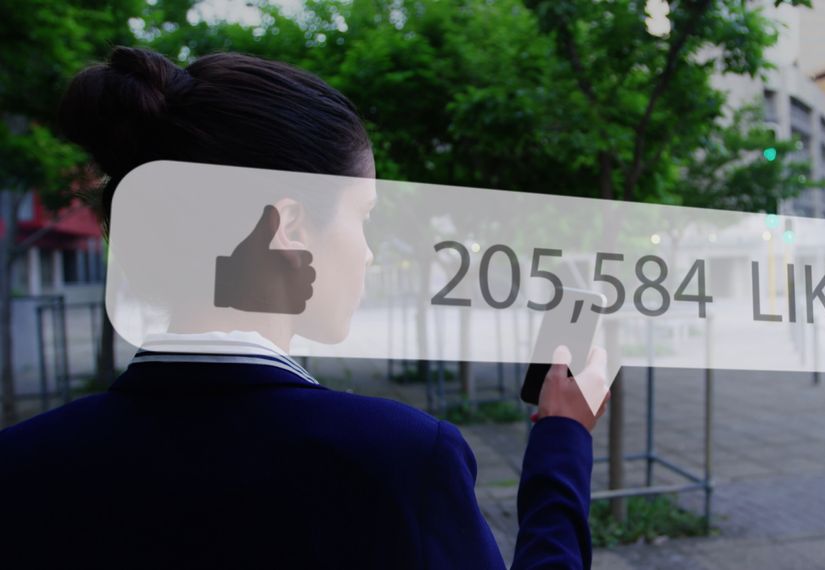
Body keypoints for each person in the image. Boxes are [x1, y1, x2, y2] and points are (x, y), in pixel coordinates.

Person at [0, 46, 609, 569]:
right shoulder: (399, 461)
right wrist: (563, 439)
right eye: (363, 216)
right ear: (288, 225)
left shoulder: (24, 464)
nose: (369, 253)